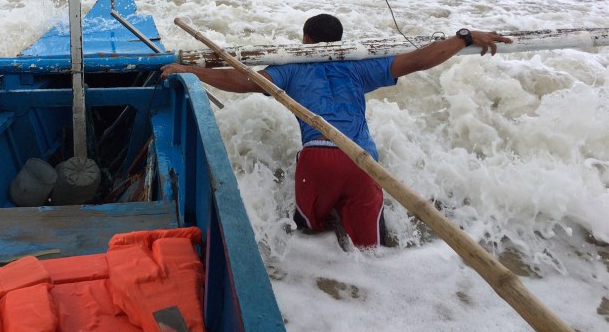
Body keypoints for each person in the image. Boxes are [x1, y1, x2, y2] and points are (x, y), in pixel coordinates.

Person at [160, 14, 512, 248]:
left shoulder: (291, 68)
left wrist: (192, 72)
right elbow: (420, 59)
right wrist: (464, 38)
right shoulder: (358, 66)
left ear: (305, 38)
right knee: (370, 252)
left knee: (308, 236)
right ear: (341, 40)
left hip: (319, 157)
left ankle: (320, 285)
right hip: (364, 163)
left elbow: (243, 80)